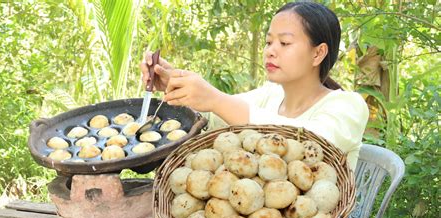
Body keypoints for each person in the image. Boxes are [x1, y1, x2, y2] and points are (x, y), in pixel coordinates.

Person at [140, 2, 369, 172]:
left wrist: (216, 99)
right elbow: (213, 116)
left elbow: (310, 142)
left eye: (284, 43)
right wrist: (174, 81)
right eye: (269, 42)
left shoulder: (348, 105)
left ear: (318, 53)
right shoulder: (270, 95)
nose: (270, 50)